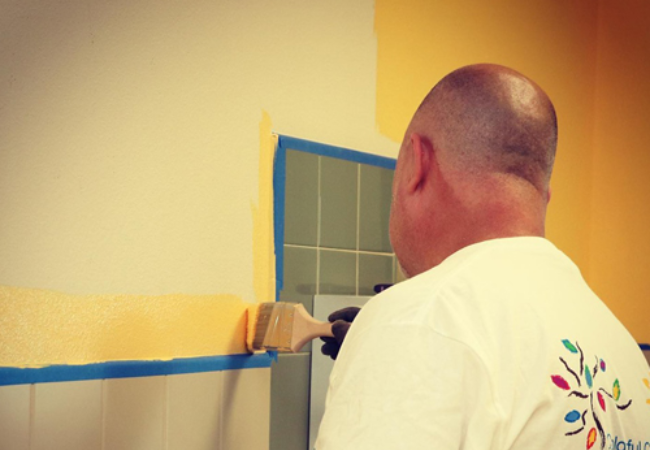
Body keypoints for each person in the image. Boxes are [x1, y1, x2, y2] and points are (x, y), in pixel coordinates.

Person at [316, 64, 650, 449]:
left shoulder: (421, 320)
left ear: (416, 163)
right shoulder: (616, 343)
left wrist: (399, 345)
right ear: (544, 196)